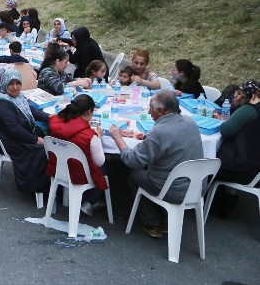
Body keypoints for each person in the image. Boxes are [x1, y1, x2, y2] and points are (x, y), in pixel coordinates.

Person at [108, 91, 204, 238]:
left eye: (150, 108)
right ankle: (165, 218)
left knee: (134, 175)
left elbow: (132, 160)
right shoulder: (190, 122)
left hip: (174, 190)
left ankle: (151, 222)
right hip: (198, 187)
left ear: (160, 111)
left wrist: (118, 139)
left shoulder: (159, 132)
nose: (149, 111)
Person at [0, 70, 51, 194]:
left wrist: (52, 118)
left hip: (22, 136)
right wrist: (37, 140)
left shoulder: (17, 98)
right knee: (49, 151)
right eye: (11, 83)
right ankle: (43, 187)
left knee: (56, 136)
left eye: (18, 83)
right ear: (5, 83)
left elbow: (32, 111)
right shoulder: (1, 104)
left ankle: (54, 183)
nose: (15, 87)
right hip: (15, 144)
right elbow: (15, 130)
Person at [47, 94, 108, 216]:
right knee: (109, 166)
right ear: (89, 111)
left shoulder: (55, 121)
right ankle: (90, 200)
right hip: (78, 174)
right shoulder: (90, 135)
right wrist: (99, 138)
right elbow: (99, 161)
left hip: (57, 168)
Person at [214, 80, 260, 196]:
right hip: (255, 170)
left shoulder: (249, 110)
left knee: (205, 162)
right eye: (237, 92)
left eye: (242, 96)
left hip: (240, 169)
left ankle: (204, 200)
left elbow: (226, 130)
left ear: (252, 97)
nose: (236, 97)